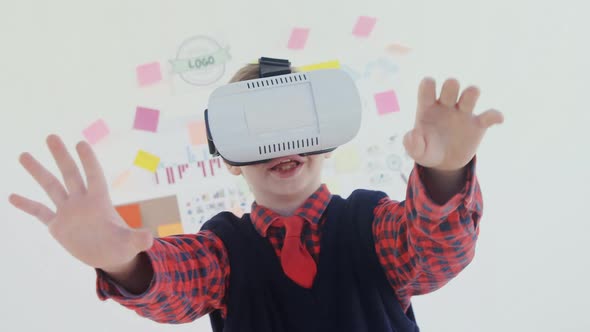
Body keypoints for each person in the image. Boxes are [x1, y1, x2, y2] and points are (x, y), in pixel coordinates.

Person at [9, 62, 504, 332]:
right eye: (257, 130)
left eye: (295, 124)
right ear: (227, 155)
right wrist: (126, 266)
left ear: (323, 135)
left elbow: (434, 255)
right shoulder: (222, 251)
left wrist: (444, 175)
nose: (282, 145)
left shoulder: (370, 224)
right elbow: (178, 286)